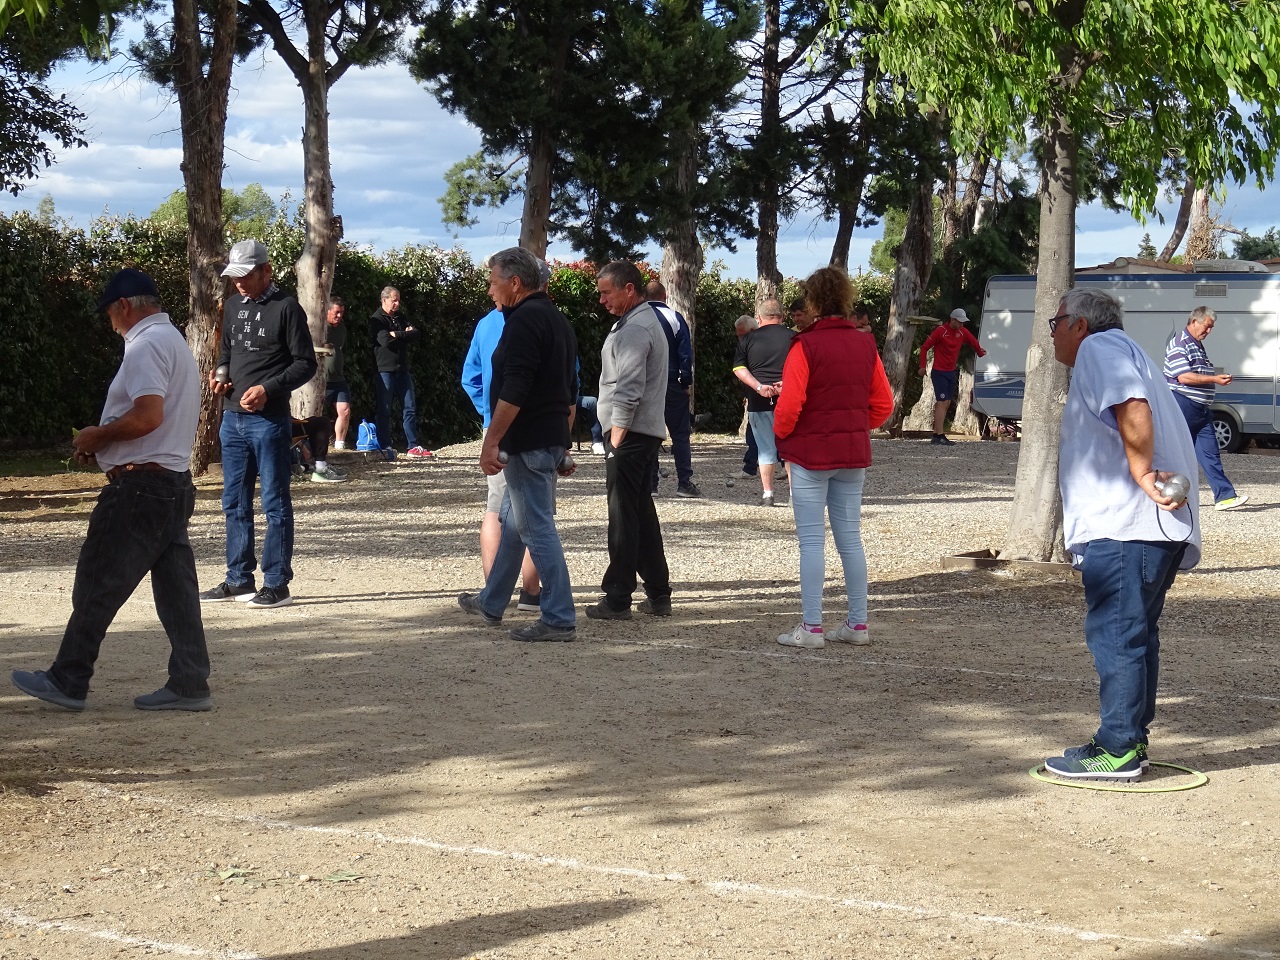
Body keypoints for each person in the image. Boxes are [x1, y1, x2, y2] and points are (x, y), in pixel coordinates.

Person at [11, 269, 212, 711]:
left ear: (124, 306)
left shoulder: (144, 345)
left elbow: (148, 416)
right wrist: (106, 446)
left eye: (109, 314)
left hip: (140, 487)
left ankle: (68, 679)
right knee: (177, 591)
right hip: (172, 482)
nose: (110, 324)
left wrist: (99, 436)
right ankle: (190, 681)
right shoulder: (174, 341)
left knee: (98, 580)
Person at [1043, 288, 1200, 781]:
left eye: (1055, 323)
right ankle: (1129, 739)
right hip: (1150, 530)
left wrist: (1141, 471)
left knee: (1116, 636)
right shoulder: (1130, 351)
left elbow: (1132, 404)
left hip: (1126, 528)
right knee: (1135, 635)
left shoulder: (1099, 347)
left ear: (1080, 325)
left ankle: (1117, 749)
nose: (1052, 333)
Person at [457, 247, 578, 642]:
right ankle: (492, 601)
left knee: (535, 527)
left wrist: (490, 441)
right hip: (545, 438)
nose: (489, 290)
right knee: (511, 521)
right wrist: (563, 443)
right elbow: (568, 389)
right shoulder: (556, 319)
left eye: (493, 282)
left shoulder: (524, 320)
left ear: (514, 282)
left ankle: (558, 617)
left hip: (528, 440)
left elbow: (517, 387)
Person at [773, 267, 893, 649]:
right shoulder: (865, 344)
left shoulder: (804, 345)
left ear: (812, 301)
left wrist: (782, 435)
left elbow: (789, 405)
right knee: (850, 540)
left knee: (811, 541)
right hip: (851, 452)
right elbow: (884, 405)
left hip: (810, 453)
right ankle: (857, 624)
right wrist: (855, 426)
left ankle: (811, 627)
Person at [202, 238, 317, 609]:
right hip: (232, 419)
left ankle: (277, 584)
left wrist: (268, 389)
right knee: (234, 501)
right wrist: (220, 373)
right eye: (234, 276)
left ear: (266, 271)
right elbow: (226, 351)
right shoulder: (234, 305)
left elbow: (306, 363)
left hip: (269, 421)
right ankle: (238, 579)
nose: (238, 282)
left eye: (246, 275)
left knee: (274, 502)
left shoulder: (287, 308)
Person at [589, 260, 673, 620]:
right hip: (642, 432)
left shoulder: (636, 327)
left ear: (629, 289)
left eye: (606, 292)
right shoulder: (637, 321)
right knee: (640, 511)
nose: (602, 300)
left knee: (623, 515)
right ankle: (658, 593)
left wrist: (617, 436)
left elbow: (628, 386)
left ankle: (618, 597)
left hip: (630, 434)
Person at [461, 292, 542, 613]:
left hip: (495, 424)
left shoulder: (485, 324)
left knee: (496, 507)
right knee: (536, 508)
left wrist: (489, 411)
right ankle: (531, 594)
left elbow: (470, 378)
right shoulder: (549, 321)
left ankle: (494, 593)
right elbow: (569, 380)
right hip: (537, 426)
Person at [1162, 306, 1249, 511]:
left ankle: (1225, 497)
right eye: (1207, 326)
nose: (1208, 331)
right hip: (1182, 404)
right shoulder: (1179, 344)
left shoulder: (1196, 345)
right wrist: (1214, 379)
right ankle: (1166, 493)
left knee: (1210, 453)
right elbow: (1184, 377)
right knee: (1178, 453)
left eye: (1211, 328)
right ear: (1194, 321)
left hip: (1200, 409)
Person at [733, 299, 793, 505]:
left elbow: (739, 369)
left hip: (759, 400)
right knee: (790, 450)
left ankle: (768, 494)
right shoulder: (794, 337)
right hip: (789, 399)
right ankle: (794, 496)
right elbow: (804, 368)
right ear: (782, 316)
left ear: (759, 317)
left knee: (765, 449)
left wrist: (758, 387)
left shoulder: (748, 340)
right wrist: (786, 383)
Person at [644, 280, 700, 498]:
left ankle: (651, 484)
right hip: (671, 381)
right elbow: (685, 354)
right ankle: (684, 482)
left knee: (649, 432)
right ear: (664, 295)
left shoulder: (638, 317)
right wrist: (685, 383)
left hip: (646, 383)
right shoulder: (674, 317)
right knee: (680, 434)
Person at [370, 286, 432, 459]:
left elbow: (416, 334)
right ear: (384, 300)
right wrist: (404, 335)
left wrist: (397, 335)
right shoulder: (376, 319)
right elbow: (385, 341)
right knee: (385, 409)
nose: (397, 304)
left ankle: (412, 445)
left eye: (398, 300)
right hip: (384, 370)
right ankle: (385, 446)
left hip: (402, 369)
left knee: (409, 407)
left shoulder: (400, 317)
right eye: (394, 300)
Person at [918, 307, 985, 445]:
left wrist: (979, 352)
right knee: (942, 402)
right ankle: (940, 435)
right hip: (939, 372)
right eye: (959, 321)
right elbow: (924, 347)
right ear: (952, 320)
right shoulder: (941, 331)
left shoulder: (962, 332)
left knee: (947, 402)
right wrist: (922, 366)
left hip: (951, 371)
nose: (961, 324)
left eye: (963, 322)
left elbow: (973, 341)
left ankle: (936, 434)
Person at [322, 296, 352, 452]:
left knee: (345, 410)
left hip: (338, 379)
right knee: (317, 413)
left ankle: (339, 445)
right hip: (322, 380)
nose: (339, 316)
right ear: (327, 311)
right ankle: (309, 446)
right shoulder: (319, 328)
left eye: (342, 313)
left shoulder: (342, 329)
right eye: (336, 312)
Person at [733, 314, 759, 478]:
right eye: (738, 336)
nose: (740, 339)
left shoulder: (757, 346)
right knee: (753, 430)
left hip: (761, 392)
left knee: (756, 430)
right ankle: (751, 466)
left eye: (743, 335)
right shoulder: (745, 346)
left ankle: (751, 467)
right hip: (753, 393)